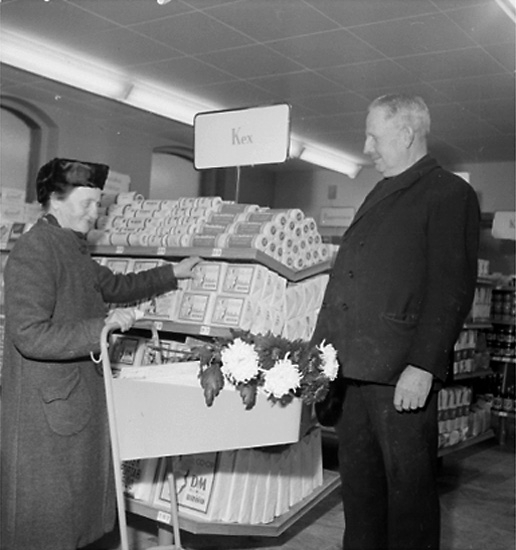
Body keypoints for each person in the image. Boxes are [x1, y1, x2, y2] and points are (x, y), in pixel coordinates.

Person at [0, 158, 201, 550]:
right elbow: (29, 334)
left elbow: (113, 286)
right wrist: (101, 328)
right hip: (46, 417)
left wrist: (172, 273)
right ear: (55, 199)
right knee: (45, 526)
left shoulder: (69, 246)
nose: (95, 214)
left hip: (67, 405)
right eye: (87, 203)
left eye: (98, 204)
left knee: (68, 520)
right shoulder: (35, 250)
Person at [311, 94, 480, 550]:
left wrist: (423, 366)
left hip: (400, 377)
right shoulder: (380, 191)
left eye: (374, 136)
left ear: (406, 135)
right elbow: (348, 283)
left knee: (409, 499)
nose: (366, 147)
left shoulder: (449, 193)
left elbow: (451, 289)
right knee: (360, 494)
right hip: (352, 374)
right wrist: (320, 359)